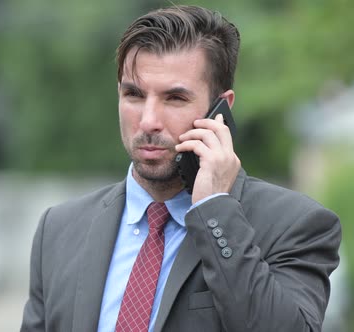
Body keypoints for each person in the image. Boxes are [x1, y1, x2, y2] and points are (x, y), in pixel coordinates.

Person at [20, 5, 341, 332]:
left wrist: (214, 210)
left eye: (174, 98)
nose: (148, 121)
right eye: (133, 94)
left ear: (221, 110)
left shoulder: (295, 225)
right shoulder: (58, 229)